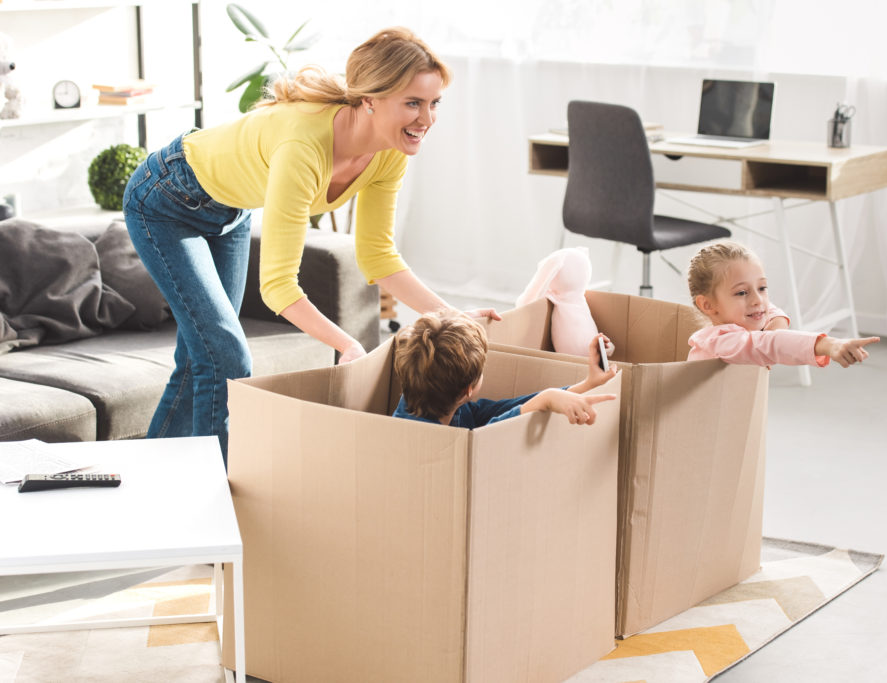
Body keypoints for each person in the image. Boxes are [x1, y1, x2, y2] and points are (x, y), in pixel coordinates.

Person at [122, 27, 498, 460]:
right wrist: (347, 344)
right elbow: (278, 286)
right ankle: (218, 496)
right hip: (166, 202)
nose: (426, 119)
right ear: (370, 99)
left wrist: (451, 315)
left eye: (434, 104)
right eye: (413, 103)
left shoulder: (390, 150)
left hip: (231, 211)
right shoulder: (304, 146)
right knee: (224, 357)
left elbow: (377, 255)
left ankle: (148, 473)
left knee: (200, 357)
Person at [392, 311, 617, 428]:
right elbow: (488, 435)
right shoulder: (414, 431)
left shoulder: (440, 398)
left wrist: (588, 383)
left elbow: (509, 409)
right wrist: (547, 399)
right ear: (468, 390)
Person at [687, 241, 879, 367]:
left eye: (762, 288)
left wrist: (775, 329)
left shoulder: (741, 327)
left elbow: (771, 312)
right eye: (742, 292)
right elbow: (769, 344)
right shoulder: (717, 344)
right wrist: (829, 344)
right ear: (708, 305)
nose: (757, 300)